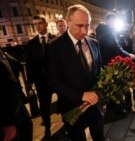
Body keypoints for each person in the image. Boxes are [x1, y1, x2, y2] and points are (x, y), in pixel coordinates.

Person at [47, 5, 104, 141]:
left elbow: (99, 70)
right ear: (67, 21)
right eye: (79, 25)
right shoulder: (54, 47)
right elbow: (54, 81)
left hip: (95, 106)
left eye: (87, 25)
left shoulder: (94, 43)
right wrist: (81, 95)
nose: (84, 31)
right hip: (71, 107)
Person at [26, 14, 56, 138]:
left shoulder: (56, 39)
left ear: (46, 24)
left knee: (65, 102)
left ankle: (69, 125)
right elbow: (29, 63)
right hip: (41, 81)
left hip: (56, 78)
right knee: (44, 106)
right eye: (35, 24)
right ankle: (47, 129)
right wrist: (29, 81)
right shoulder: (31, 43)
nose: (38, 26)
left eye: (40, 23)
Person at [0, 49, 33, 141]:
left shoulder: (3, 53)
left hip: (15, 97)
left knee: (27, 125)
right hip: (5, 106)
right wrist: (6, 122)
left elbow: (16, 66)